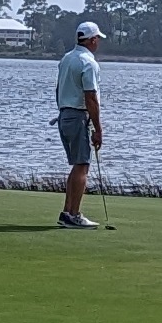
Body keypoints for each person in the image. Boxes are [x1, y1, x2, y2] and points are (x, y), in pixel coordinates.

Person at [56, 20, 109, 229]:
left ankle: (67, 212)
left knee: (78, 165)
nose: (98, 43)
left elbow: (58, 89)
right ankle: (74, 214)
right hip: (78, 116)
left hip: (64, 115)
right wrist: (98, 129)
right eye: (98, 39)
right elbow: (91, 98)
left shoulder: (67, 58)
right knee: (82, 166)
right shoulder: (88, 63)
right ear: (93, 39)